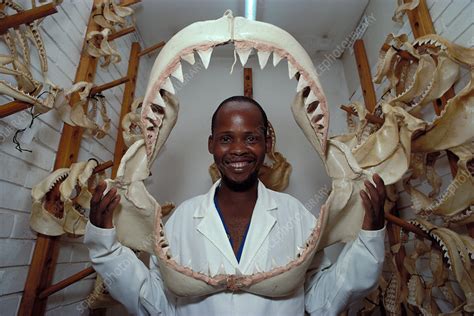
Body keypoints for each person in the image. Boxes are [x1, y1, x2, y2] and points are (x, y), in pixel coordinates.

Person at [85, 96, 386, 315]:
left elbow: (322, 298)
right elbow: (156, 302)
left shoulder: (295, 215)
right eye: (226, 138)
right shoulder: (181, 221)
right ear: (211, 144)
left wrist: (369, 239)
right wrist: (106, 249)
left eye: (251, 138)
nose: (239, 149)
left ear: (267, 144)